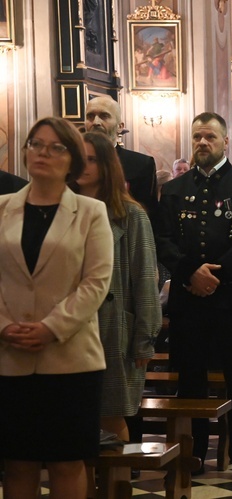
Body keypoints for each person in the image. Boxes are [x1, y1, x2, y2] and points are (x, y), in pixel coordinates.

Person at [0, 117, 114, 498]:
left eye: (55, 147)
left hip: (70, 358)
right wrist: (3, 326)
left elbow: (96, 282)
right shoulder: (1, 209)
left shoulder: (91, 211)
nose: (42, 153)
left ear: (72, 160)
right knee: (17, 463)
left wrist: (51, 327)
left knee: (67, 463)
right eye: (35, 144)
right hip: (9, 354)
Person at [156, 112, 232, 485]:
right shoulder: (173, 190)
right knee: (191, 378)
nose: (203, 143)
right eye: (197, 137)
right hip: (189, 298)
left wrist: (214, 276)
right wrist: (190, 274)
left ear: (225, 142)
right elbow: (165, 241)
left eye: (210, 137)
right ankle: (195, 452)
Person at [76, 131, 162, 441]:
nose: (82, 166)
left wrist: (144, 338)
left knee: (111, 417)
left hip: (114, 329)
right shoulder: (64, 210)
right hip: (72, 328)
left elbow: (145, 279)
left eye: (91, 160)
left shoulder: (131, 215)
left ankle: (118, 485)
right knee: (74, 418)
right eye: (78, 158)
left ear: (107, 165)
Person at [85, 96, 158, 217]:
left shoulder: (141, 164)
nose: (96, 122)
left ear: (120, 126)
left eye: (104, 116)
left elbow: (150, 215)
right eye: (90, 116)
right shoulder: (72, 161)